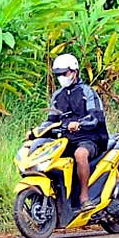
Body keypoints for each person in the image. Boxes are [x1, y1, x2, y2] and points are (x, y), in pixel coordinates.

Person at [42, 53, 107, 208]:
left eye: (65, 73)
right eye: (58, 75)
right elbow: (50, 120)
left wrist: (79, 123)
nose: (61, 77)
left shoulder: (87, 92)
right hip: (65, 141)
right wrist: (36, 132)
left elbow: (96, 117)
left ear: (74, 71)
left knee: (80, 154)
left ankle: (84, 197)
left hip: (89, 138)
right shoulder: (57, 96)